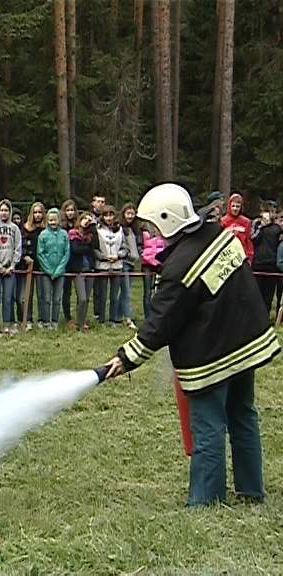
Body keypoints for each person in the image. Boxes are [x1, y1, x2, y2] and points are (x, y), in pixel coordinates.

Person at [105, 182, 280, 507]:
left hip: (213, 356)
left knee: (209, 426)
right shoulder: (219, 235)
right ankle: (251, 490)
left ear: (168, 220)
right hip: (246, 344)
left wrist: (126, 358)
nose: (154, 234)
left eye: (155, 227)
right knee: (243, 414)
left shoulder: (181, 265)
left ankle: (205, 501)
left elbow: (160, 322)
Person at [0, 199, 22, 336]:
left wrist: (12, 265)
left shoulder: (14, 228)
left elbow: (18, 248)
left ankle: (7, 323)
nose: (4, 213)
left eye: (6, 210)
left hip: (10, 268)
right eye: (1, 210)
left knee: (8, 298)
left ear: (10, 212)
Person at [36, 208, 69, 330]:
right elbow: (40, 253)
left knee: (57, 298)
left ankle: (55, 321)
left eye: (55, 220)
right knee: (46, 298)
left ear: (59, 220)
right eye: (50, 220)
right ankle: (46, 321)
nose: (53, 222)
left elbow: (66, 253)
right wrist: (49, 270)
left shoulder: (64, 235)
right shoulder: (43, 235)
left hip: (60, 272)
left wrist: (59, 270)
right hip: (46, 272)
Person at [94, 205, 127, 324]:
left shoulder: (120, 230)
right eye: (106, 215)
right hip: (102, 266)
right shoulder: (97, 229)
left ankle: (113, 319)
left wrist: (118, 255)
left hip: (117, 265)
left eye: (111, 215)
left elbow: (125, 248)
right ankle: (101, 320)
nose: (108, 218)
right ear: (102, 217)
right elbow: (95, 248)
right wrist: (104, 257)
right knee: (102, 294)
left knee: (114, 295)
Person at [251, 203, 282, 316]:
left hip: (271, 266)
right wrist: (260, 227)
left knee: (268, 296)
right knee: (257, 295)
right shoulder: (257, 225)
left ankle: (266, 318)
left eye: (270, 212)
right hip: (257, 265)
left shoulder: (277, 228)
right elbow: (252, 239)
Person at [19, 202, 46, 330]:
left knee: (41, 294)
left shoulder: (46, 229)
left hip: (42, 266)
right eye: (35, 212)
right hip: (28, 265)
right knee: (27, 295)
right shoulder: (26, 228)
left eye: (40, 212)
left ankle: (42, 319)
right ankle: (27, 319)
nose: (37, 215)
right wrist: (25, 256)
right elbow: (22, 245)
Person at [68, 212, 95, 331]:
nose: (86, 221)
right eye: (85, 219)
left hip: (90, 269)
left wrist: (93, 227)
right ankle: (78, 322)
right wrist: (87, 247)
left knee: (87, 298)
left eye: (89, 220)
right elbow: (76, 249)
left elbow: (95, 246)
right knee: (82, 298)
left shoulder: (92, 235)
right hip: (78, 270)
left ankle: (82, 321)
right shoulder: (73, 234)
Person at [116, 203, 140, 329]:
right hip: (124, 262)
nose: (130, 216)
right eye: (128, 213)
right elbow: (119, 246)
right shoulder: (120, 229)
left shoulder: (135, 229)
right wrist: (125, 253)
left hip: (132, 263)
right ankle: (128, 318)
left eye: (132, 213)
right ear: (123, 214)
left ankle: (118, 315)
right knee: (126, 292)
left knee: (126, 291)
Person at [140, 222, 166, 319]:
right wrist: (144, 255)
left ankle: (159, 315)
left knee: (160, 290)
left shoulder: (164, 227)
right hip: (147, 264)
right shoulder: (143, 228)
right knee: (147, 292)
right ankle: (148, 317)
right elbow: (139, 245)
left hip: (161, 262)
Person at [60, 199, 78, 328]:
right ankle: (67, 317)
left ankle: (79, 316)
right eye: (68, 210)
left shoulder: (79, 226)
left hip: (76, 262)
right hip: (64, 263)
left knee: (79, 292)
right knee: (66, 292)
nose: (70, 213)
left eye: (72, 210)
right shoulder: (61, 227)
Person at [220, 193, 254, 263]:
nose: (235, 209)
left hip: (242, 256)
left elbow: (248, 241)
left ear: (241, 207)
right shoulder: (223, 221)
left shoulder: (246, 222)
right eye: (233, 206)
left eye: (237, 206)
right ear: (229, 206)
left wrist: (249, 257)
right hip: (227, 257)